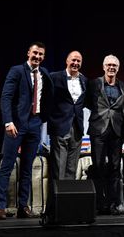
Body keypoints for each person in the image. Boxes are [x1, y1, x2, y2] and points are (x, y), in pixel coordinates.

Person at [0, 41, 54, 220]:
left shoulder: (44, 73)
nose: (37, 57)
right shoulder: (17, 70)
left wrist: (43, 118)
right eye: (35, 53)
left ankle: (23, 206)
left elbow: (49, 97)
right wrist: (8, 122)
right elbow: (6, 97)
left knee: (28, 168)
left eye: (41, 54)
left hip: (35, 125)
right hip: (16, 125)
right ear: (28, 53)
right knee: (7, 166)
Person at [42, 51, 88, 223]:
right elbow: (45, 99)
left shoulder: (84, 80)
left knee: (71, 170)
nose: (76, 63)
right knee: (57, 171)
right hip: (60, 127)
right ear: (67, 61)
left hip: (77, 129)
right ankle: (52, 210)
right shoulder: (55, 77)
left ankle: (67, 209)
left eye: (79, 61)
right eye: (73, 60)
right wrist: (50, 118)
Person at [86, 54, 124, 215]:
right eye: (108, 65)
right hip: (98, 129)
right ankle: (99, 204)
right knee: (98, 167)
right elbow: (88, 102)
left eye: (114, 65)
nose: (111, 67)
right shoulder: (94, 83)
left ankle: (113, 204)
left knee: (115, 168)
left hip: (116, 131)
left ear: (118, 68)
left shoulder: (122, 85)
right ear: (103, 67)